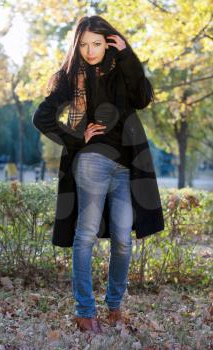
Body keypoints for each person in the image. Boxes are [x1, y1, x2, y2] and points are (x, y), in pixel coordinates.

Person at [32, 15, 164, 334]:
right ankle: (85, 312)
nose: (90, 51)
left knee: (122, 238)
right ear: (77, 46)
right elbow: (42, 117)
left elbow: (143, 99)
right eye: (84, 44)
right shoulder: (71, 76)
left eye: (97, 43)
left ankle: (114, 307)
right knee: (86, 233)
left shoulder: (122, 69)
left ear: (108, 42)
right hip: (91, 159)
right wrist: (77, 139)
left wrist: (127, 54)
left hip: (126, 165)